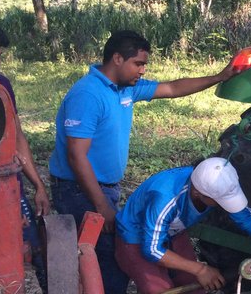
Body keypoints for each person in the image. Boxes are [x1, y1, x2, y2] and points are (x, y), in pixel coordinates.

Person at [48, 30, 240, 294]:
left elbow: (173, 88)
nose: (142, 70)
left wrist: (219, 76)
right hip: (78, 189)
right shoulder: (88, 95)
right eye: (138, 63)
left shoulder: (127, 89)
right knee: (103, 260)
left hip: (105, 188)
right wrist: (101, 204)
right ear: (117, 58)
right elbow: (76, 155)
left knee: (109, 259)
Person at [115, 157, 251, 294]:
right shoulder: (165, 197)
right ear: (197, 193)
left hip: (172, 231)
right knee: (160, 289)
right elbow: (152, 249)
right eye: (219, 200)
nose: (224, 204)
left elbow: (248, 220)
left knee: (195, 286)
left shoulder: (216, 184)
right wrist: (201, 268)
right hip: (135, 237)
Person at [0, 18, 50, 291]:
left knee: (34, 249)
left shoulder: (1, 85)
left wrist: (37, 185)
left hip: (5, 189)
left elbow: (17, 135)